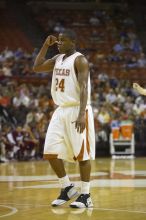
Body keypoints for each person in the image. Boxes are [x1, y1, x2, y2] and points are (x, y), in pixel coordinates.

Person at [33, 29, 95, 208]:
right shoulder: (57, 59)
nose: (58, 43)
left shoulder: (80, 59)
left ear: (73, 42)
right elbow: (36, 67)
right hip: (60, 111)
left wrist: (82, 113)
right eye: (58, 40)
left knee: (82, 155)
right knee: (50, 152)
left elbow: (83, 88)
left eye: (62, 40)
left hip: (77, 108)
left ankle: (86, 195)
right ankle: (67, 187)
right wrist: (46, 45)